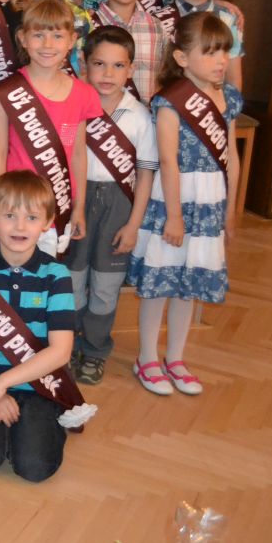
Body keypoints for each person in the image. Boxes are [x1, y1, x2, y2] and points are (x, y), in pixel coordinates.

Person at [129, 13, 241, 397]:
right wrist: (174, 216)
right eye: (209, 52)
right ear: (181, 58)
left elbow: (232, 157)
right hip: (173, 201)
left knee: (188, 286)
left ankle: (175, 358)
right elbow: (168, 160)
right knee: (160, 283)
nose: (220, 60)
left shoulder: (229, 98)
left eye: (224, 51)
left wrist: (230, 211)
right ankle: (147, 357)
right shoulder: (170, 101)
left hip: (210, 203)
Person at [0, 171, 76, 482]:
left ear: (47, 222)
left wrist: (3, 384)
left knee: (35, 468)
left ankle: (37, 424)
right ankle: (6, 429)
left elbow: (61, 352)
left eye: (31, 217)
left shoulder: (56, 275)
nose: (20, 226)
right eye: (10, 215)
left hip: (38, 384)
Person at [68, 27, 157, 385]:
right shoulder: (74, 105)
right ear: (84, 64)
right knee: (72, 281)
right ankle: (67, 345)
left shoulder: (140, 116)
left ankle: (94, 350)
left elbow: (145, 174)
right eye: (99, 64)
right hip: (77, 200)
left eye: (118, 65)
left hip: (118, 206)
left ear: (131, 69)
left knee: (105, 287)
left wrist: (133, 224)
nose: (107, 73)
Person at [0, 0, 103, 255]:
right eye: (39, 35)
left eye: (57, 36)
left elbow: (77, 154)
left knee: (47, 273)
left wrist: (78, 207)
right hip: (14, 208)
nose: (48, 45)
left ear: (72, 40)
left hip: (57, 206)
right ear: (23, 38)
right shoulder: (7, 91)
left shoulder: (83, 94)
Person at [92, 0, 168, 103]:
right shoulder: (88, 24)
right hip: (99, 116)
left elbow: (164, 79)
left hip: (144, 116)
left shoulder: (156, 28)